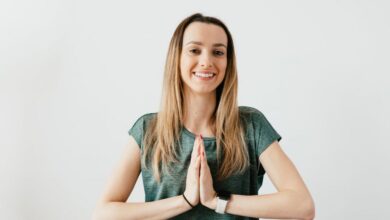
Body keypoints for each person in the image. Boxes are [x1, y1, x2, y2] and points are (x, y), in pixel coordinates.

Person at [93, 13, 315, 220]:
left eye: (218, 52)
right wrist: (186, 200)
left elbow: (302, 206)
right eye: (194, 50)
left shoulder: (251, 125)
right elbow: (104, 213)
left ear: (228, 63)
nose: (207, 61)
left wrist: (217, 201)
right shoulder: (148, 129)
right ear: (177, 57)